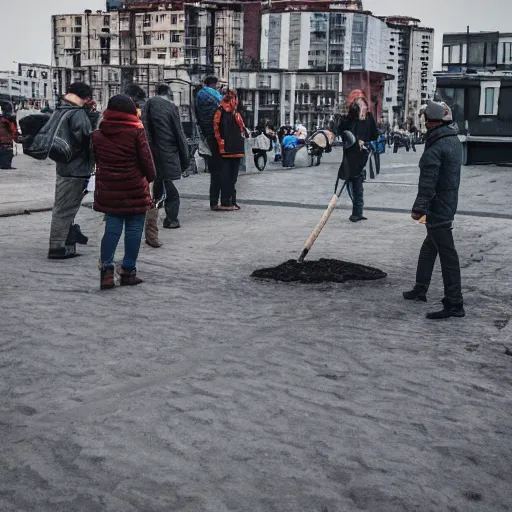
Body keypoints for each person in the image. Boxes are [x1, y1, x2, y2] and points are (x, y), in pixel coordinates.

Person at [403, 101, 465, 320]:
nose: (424, 123)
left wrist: (419, 208)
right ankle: (420, 288)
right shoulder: (453, 140)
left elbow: (428, 182)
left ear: (432, 122)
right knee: (430, 246)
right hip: (448, 202)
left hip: (438, 206)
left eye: (425, 119)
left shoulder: (436, 146)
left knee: (447, 254)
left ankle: (454, 303)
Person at [93, 95, 156, 290]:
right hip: (134, 187)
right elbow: (147, 162)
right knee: (134, 229)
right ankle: (128, 272)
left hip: (110, 188)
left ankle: (106, 272)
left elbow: (96, 160)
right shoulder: (137, 132)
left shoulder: (97, 134)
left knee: (112, 228)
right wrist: (151, 177)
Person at [48, 82, 96, 259]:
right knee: (65, 209)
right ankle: (57, 247)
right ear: (86, 97)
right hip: (76, 168)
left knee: (66, 206)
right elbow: (86, 138)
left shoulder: (60, 110)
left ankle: (69, 238)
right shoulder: (77, 114)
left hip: (63, 166)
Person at [144, 84, 189, 229]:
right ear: (168, 93)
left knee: (158, 182)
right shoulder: (171, 107)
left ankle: (154, 214)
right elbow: (179, 133)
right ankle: (171, 219)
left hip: (152, 151)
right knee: (170, 188)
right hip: (168, 151)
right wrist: (185, 159)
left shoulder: (148, 104)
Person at [125, 84, 162, 249]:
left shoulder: (115, 115)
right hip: (143, 164)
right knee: (150, 199)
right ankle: (151, 235)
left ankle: (150, 235)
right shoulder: (145, 112)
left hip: (126, 167)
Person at [337, 89, 378, 222]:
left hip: (362, 154)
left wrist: (364, 141)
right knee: (354, 181)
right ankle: (357, 211)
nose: (364, 107)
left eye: (364, 104)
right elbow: (342, 132)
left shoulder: (369, 118)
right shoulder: (348, 119)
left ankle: (357, 211)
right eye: (360, 104)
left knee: (357, 181)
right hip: (351, 155)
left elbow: (374, 135)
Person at [213, 89, 246, 211]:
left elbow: (216, 129)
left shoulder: (222, 111)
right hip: (233, 147)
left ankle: (229, 201)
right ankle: (229, 201)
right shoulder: (234, 112)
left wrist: (221, 142)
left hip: (227, 148)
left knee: (228, 176)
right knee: (230, 177)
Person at [195, 76, 223, 210]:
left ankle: (214, 201)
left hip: (207, 135)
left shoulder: (199, 96)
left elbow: (198, 116)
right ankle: (217, 201)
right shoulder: (216, 97)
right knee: (219, 170)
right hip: (218, 135)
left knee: (214, 170)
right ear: (214, 84)